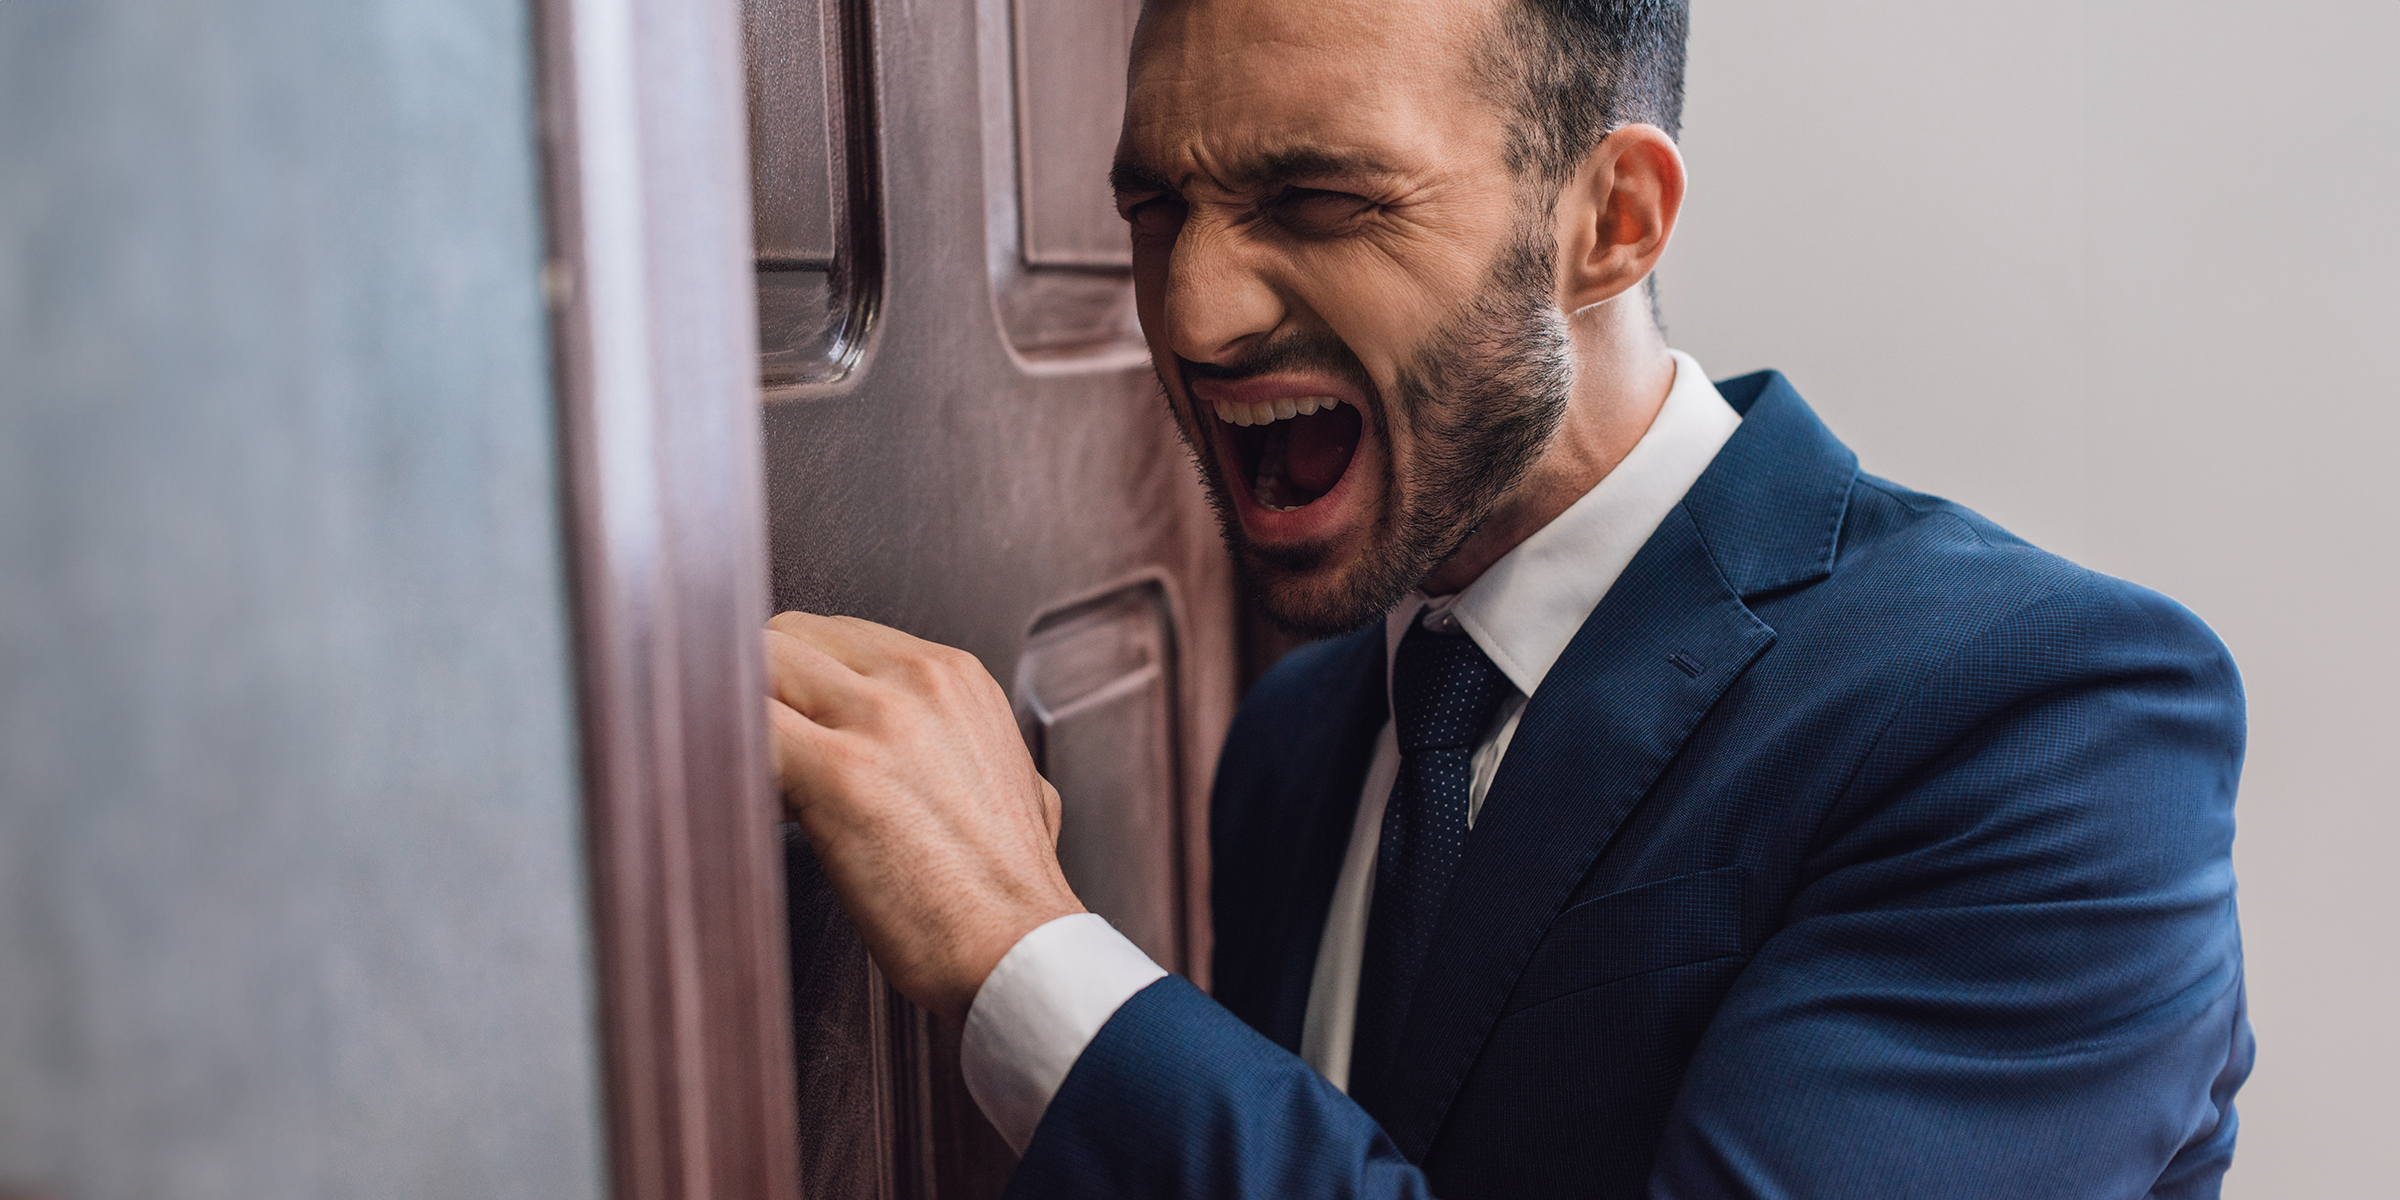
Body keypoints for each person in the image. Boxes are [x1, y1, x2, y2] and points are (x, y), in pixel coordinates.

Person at [759, 0, 2252, 1194]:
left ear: (1611, 222)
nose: (1195, 312)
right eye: (1158, 209)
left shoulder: (2047, 718)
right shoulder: (1296, 737)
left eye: (1322, 198)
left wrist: (1023, 957)